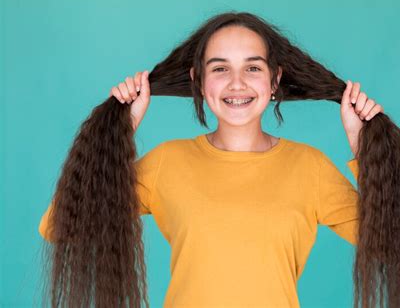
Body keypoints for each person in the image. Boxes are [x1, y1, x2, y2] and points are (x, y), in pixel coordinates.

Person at [109, 25, 382, 306]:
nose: (236, 83)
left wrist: (363, 145)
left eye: (252, 68)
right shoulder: (166, 161)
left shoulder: (309, 166)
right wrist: (119, 128)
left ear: (275, 80)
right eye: (219, 69)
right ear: (199, 81)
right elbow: (68, 221)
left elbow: (388, 245)